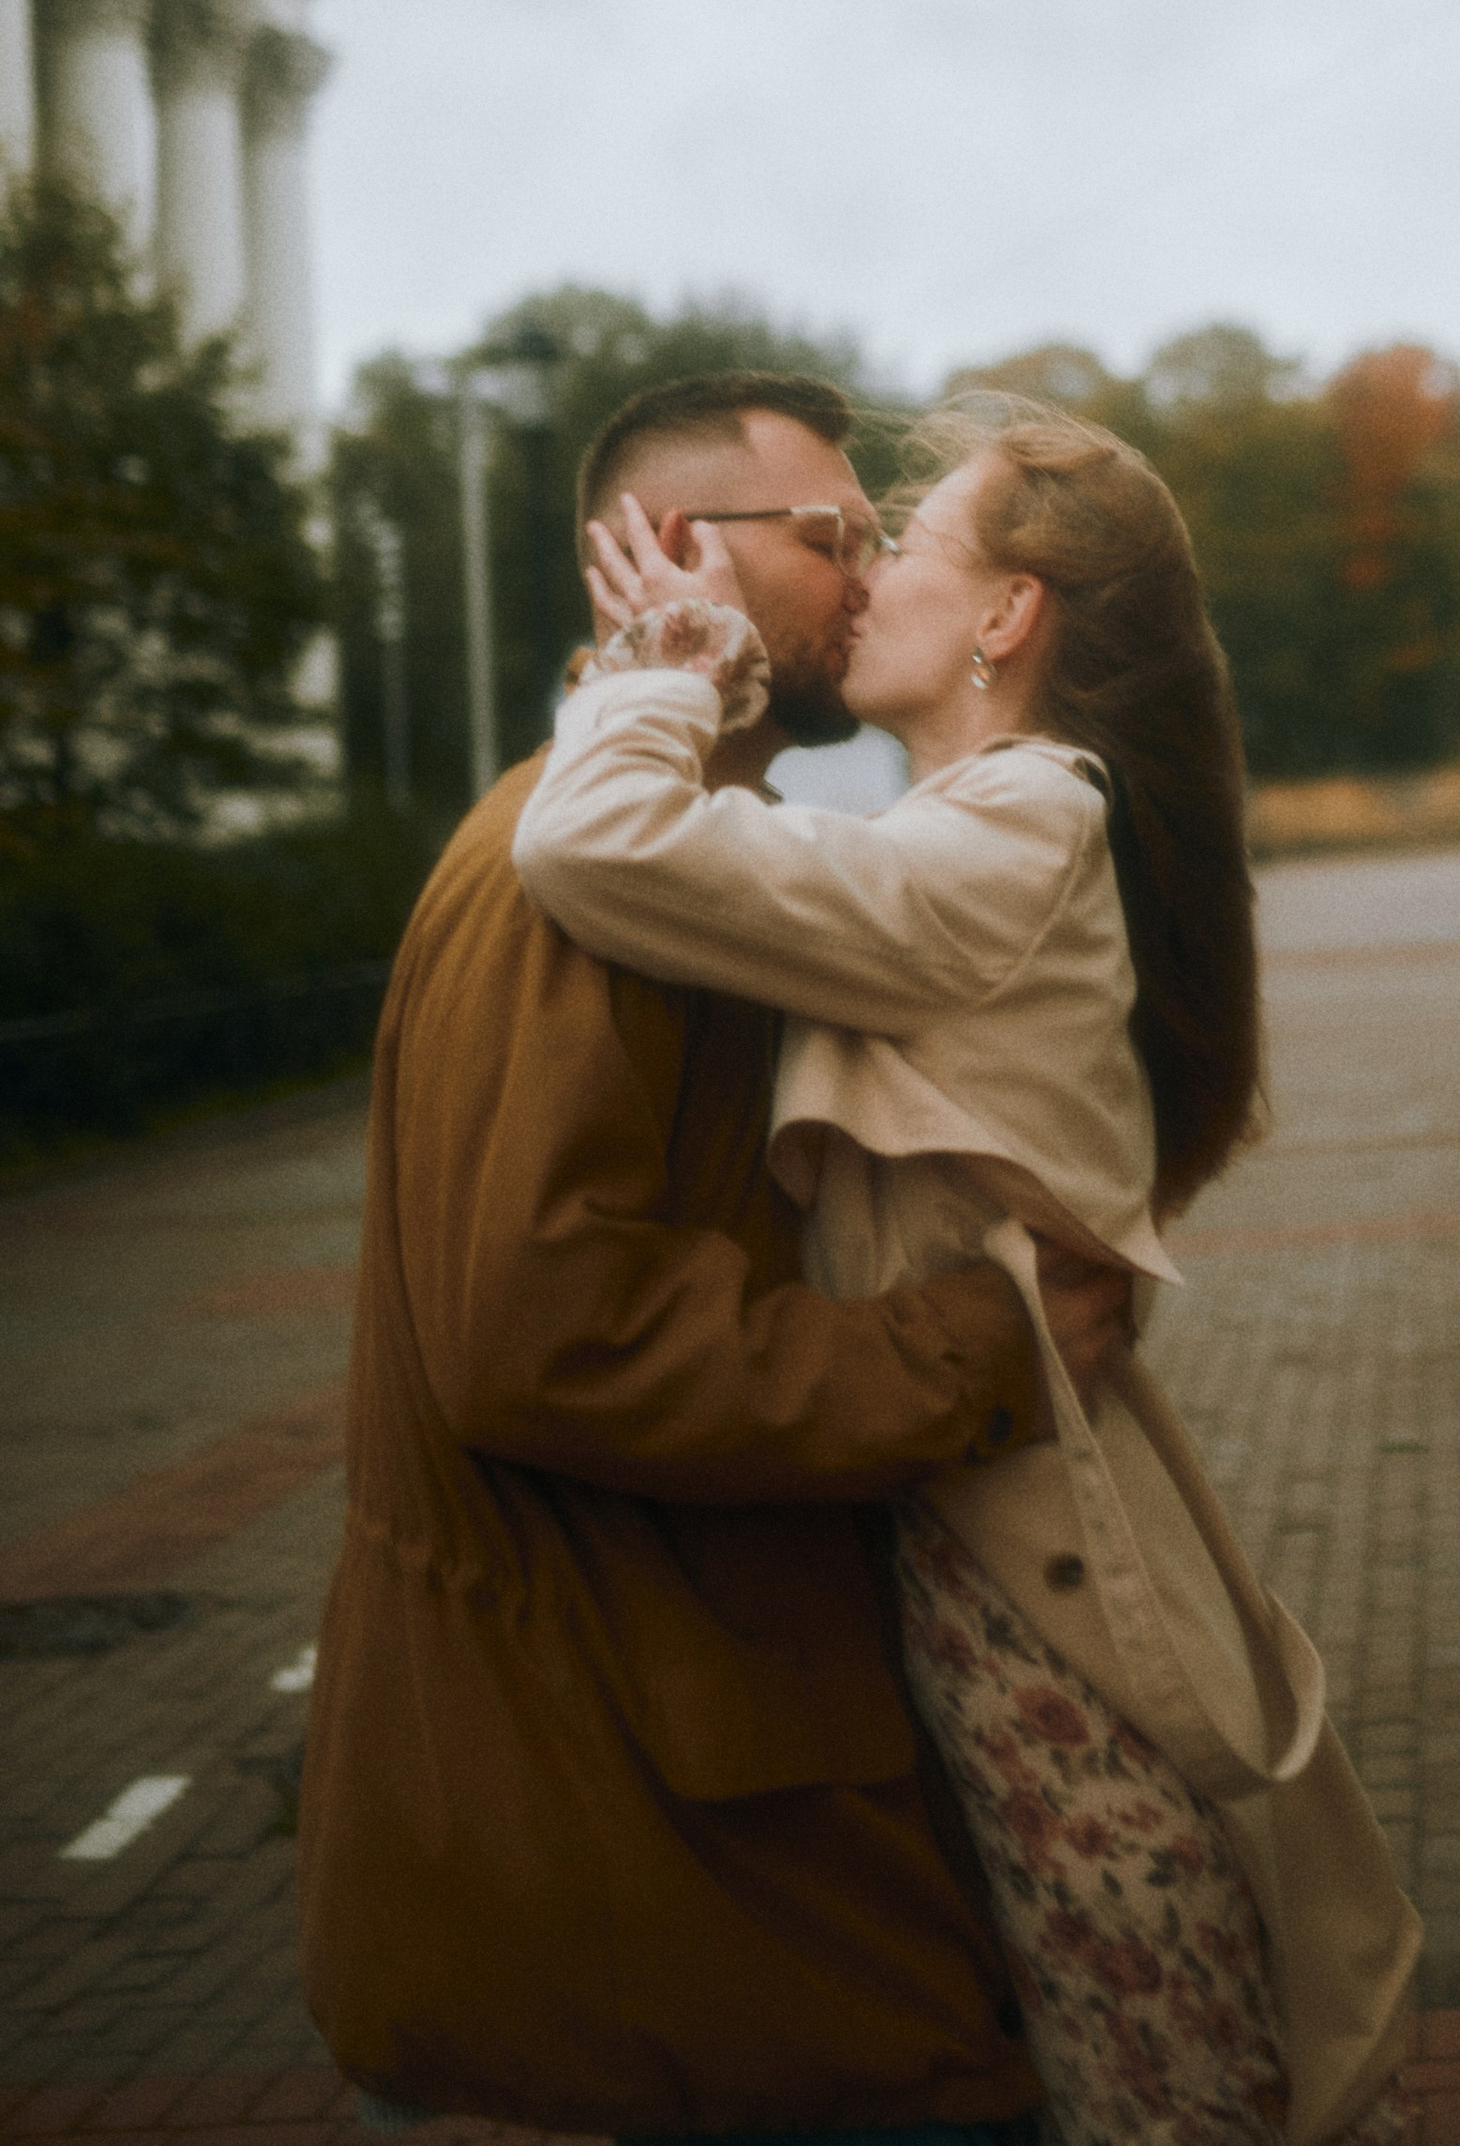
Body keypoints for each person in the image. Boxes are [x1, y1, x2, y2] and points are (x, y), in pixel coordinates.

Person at [512, 396, 1420, 2146]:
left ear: (1007, 618)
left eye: (905, 546)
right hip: (979, 1559)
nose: (861, 583)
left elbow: (593, 843)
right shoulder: (961, 834)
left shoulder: (1024, 822)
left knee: (1166, 2088)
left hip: (1045, 1593)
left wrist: (663, 659)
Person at [298, 370, 1135, 2146]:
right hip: (653, 1836)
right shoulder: (574, 880)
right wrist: (977, 1348)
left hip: (680, 1781)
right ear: (680, 552)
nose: (862, 575)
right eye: (832, 535)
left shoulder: (670, 855)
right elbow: (545, 1331)